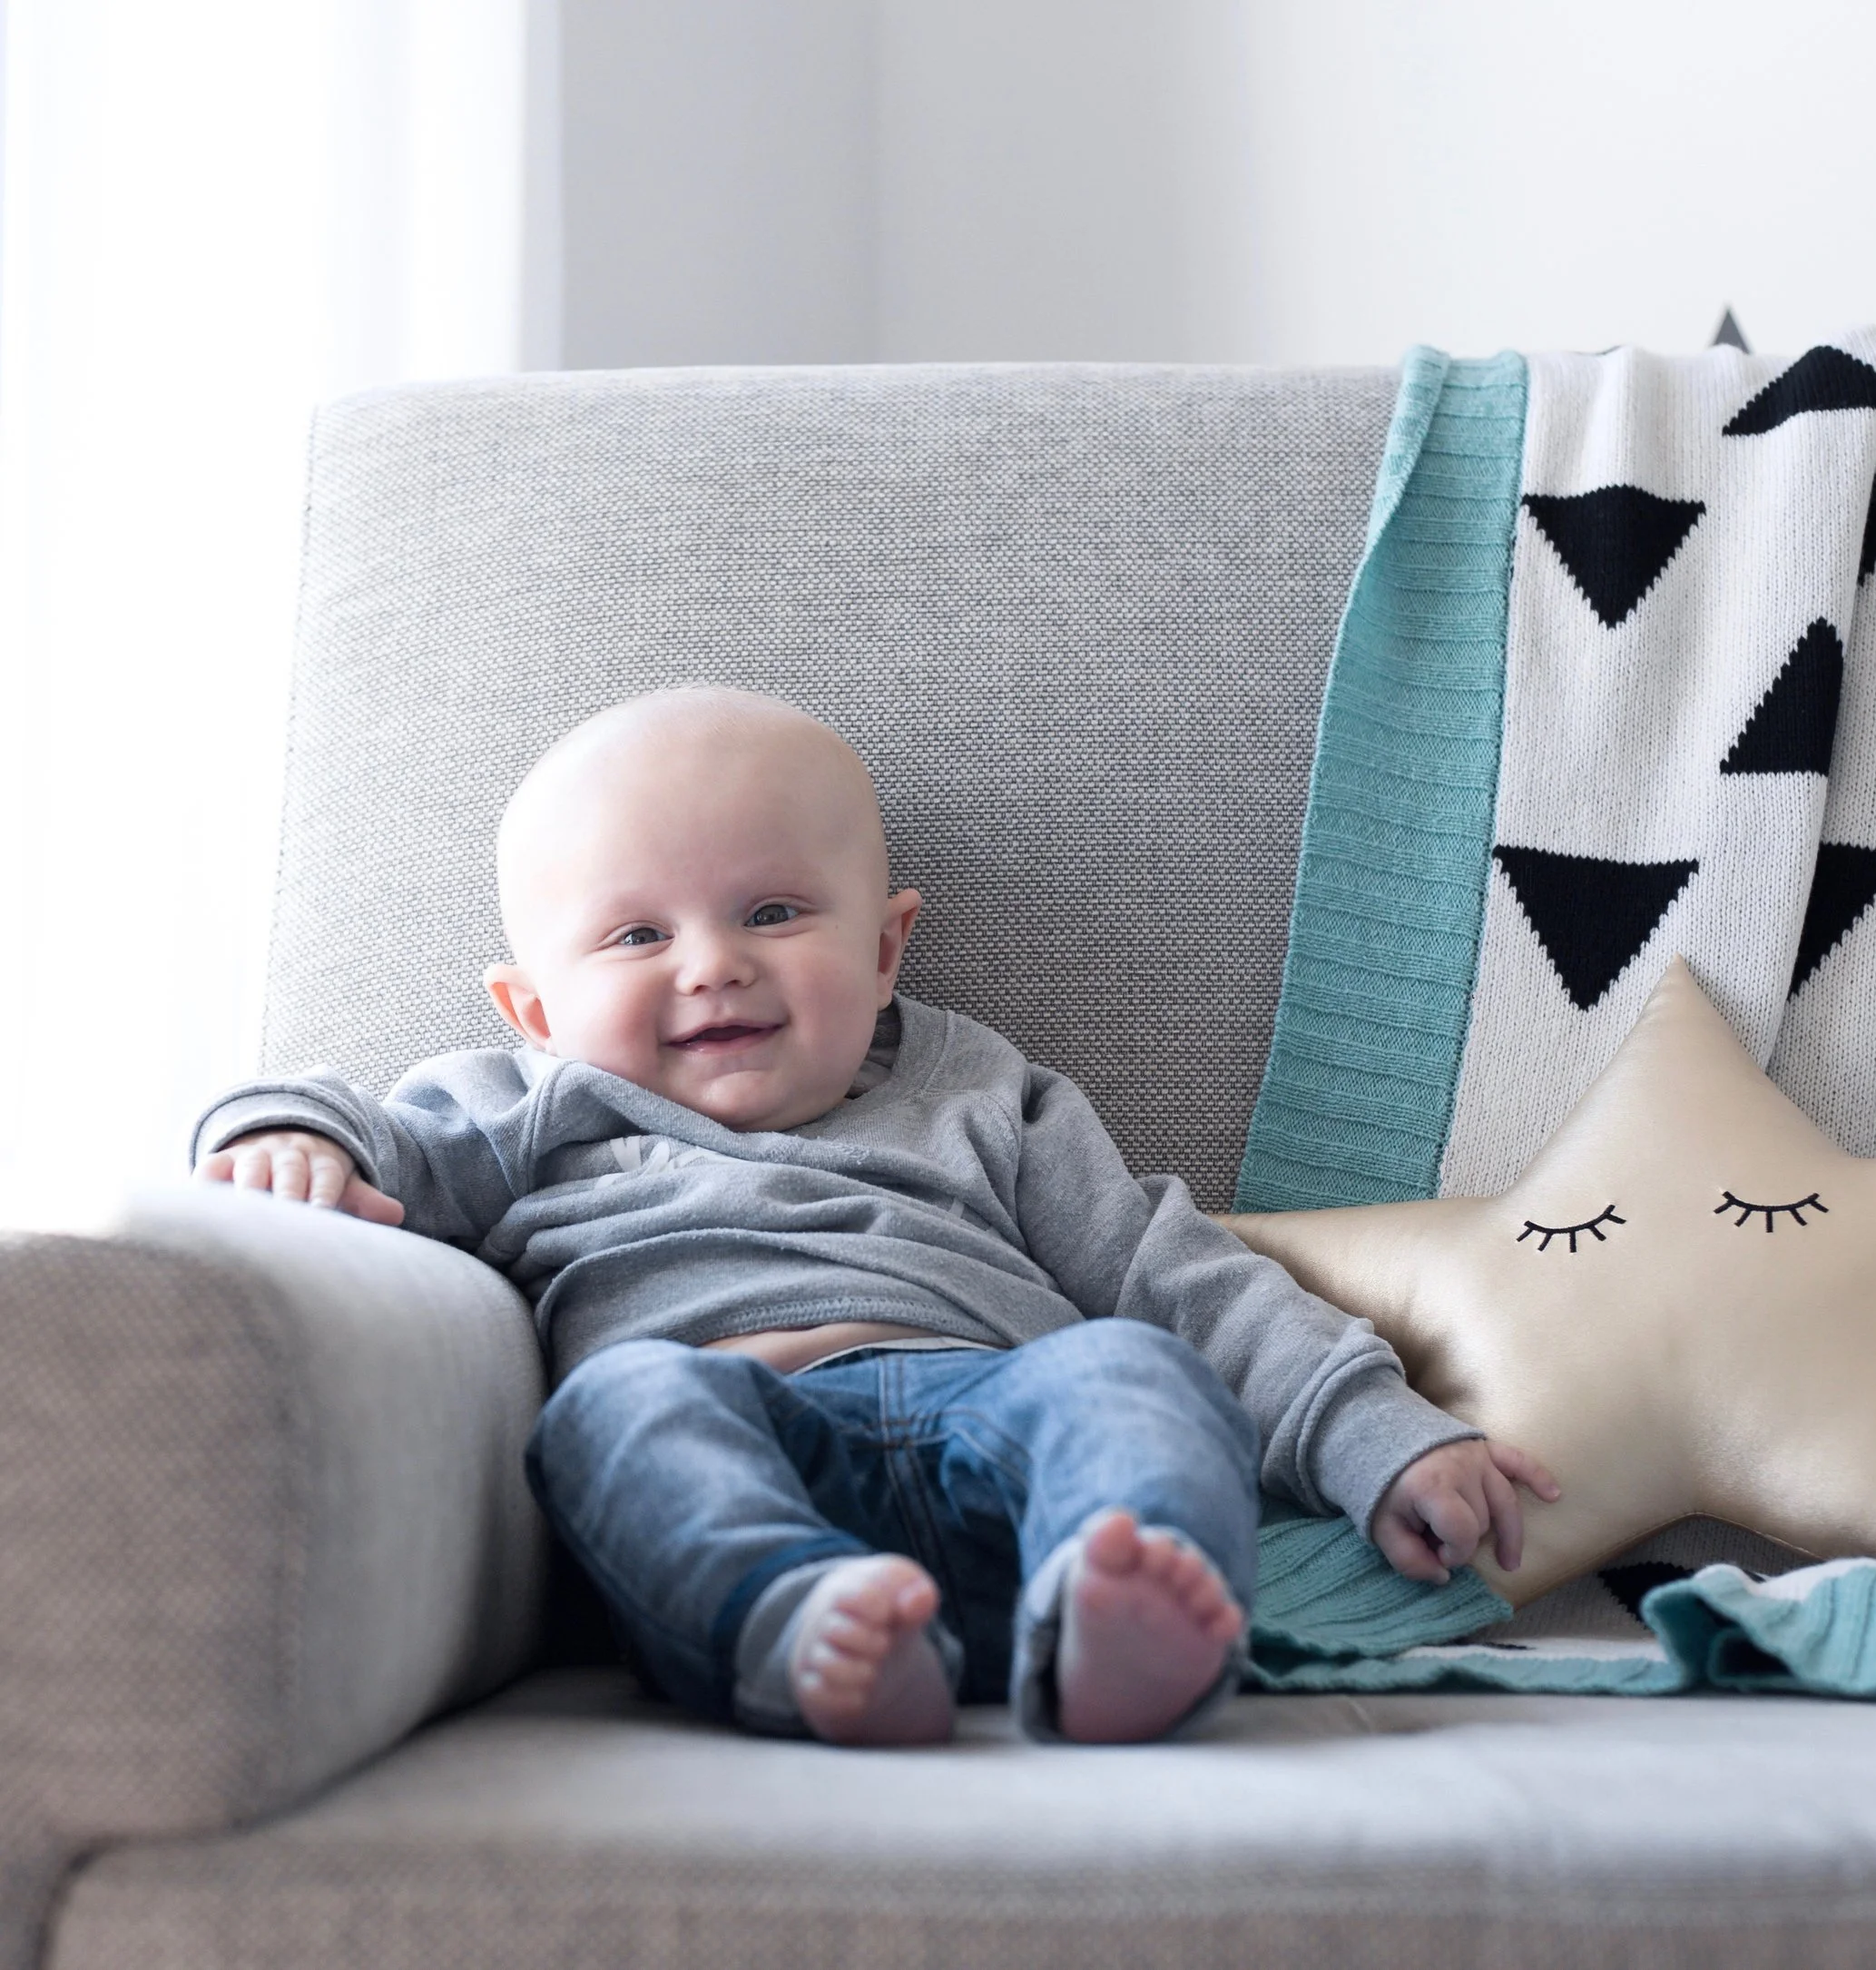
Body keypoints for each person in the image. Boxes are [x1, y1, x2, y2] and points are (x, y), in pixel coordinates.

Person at [194, 688, 1558, 1747]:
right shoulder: (530, 1105)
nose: (714, 965)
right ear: (535, 1010)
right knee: (612, 1414)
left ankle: (1119, 1605)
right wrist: (280, 1135)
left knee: (1139, 1373)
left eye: (773, 911)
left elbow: (1172, 1269)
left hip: (1001, 1430)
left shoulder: (984, 1089)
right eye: (637, 937)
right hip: (740, 1435)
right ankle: (794, 1618)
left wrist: (1370, 1431)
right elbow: (368, 1127)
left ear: (887, 945)